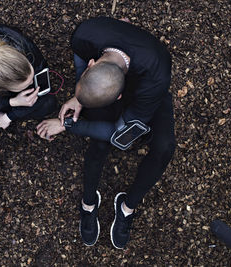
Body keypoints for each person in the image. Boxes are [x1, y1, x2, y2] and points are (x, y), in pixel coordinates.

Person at [36, 17, 176, 248]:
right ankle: (88, 203)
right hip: (108, 81)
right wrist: (79, 98)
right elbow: (80, 59)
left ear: (119, 97)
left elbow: (121, 136)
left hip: (147, 98)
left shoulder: (157, 75)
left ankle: (127, 207)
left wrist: (67, 125)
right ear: (92, 64)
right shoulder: (84, 34)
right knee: (98, 144)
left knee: (164, 148)